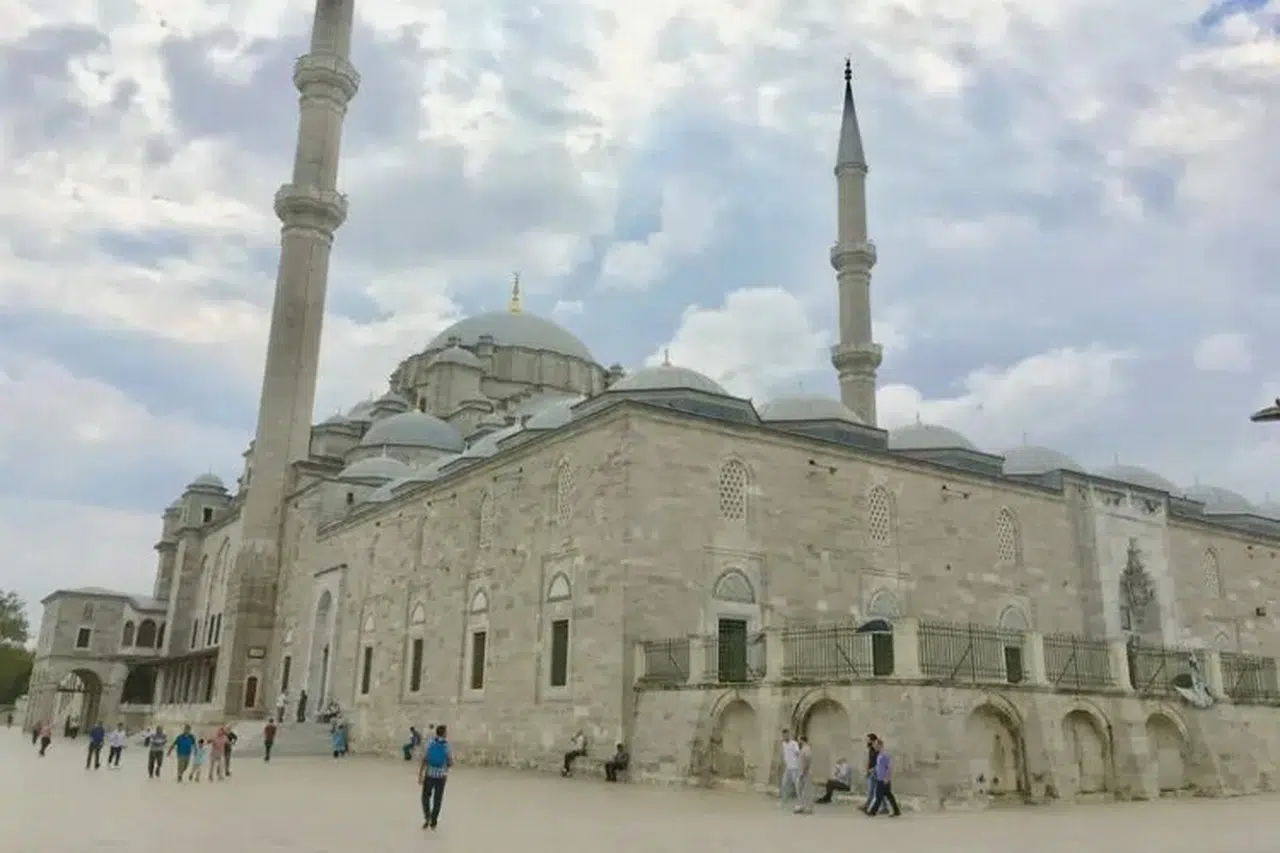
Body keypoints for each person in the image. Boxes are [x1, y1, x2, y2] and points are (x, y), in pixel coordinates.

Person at [418, 724, 452, 830]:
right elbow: (450, 762)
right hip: (440, 777)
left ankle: (427, 816)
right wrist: (447, 767)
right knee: (437, 799)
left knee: (425, 797)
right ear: (444, 733)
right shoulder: (447, 745)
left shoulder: (430, 742)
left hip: (429, 775)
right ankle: (433, 822)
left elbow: (425, 759)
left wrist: (420, 774)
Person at [865, 736, 901, 817]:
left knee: (878, 795)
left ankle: (872, 812)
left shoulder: (884, 755)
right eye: (874, 745)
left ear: (880, 745)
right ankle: (896, 811)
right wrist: (872, 770)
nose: (874, 746)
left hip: (883, 780)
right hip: (880, 778)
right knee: (889, 795)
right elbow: (879, 766)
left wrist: (887, 778)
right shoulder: (880, 755)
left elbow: (889, 767)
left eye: (876, 745)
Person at [778, 729, 801, 810]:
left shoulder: (794, 743)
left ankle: (800, 802)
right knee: (784, 784)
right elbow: (784, 755)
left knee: (797, 785)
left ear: (789, 735)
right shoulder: (783, 744)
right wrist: (782, 764)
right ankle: (783, 801)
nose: (785, 737)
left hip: (795, 768)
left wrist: (800, 764)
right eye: (783, 735)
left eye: (786, 735)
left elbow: (798, 753)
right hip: (788, 768)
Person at [794, 735, 814, 814]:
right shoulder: (803, 749)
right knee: (800, 790)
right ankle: (801, 806)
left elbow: (808, 760)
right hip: (802, 772)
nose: (798, 742)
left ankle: (809, 808)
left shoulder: (807, 748)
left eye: (799, 740)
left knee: (807, 790)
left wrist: (804, 771)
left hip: (805, 772)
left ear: (802, 740)